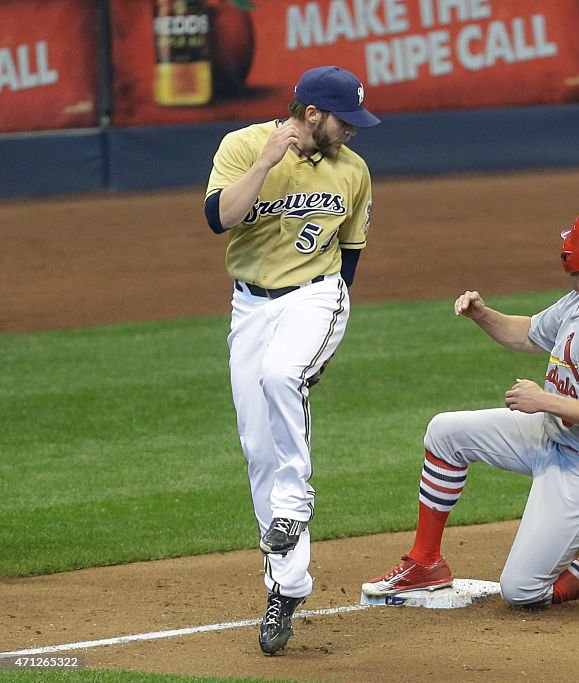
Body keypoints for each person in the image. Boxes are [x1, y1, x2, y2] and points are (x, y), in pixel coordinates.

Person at [362, 210, 579, 609]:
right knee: (445, 433)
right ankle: (425, 562)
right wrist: (481, 315)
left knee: (523, 590)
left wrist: (544, 401)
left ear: (578, 253)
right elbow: (527, 335)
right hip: (553, 436)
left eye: (571, 239)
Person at [203, 66, 380, 654]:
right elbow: (218, 219)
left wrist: (321, 341)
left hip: (316, 295)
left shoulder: (354, 172)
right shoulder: (243, 146)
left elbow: (349, 257)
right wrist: (265, 164)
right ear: (310, 114)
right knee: (258, 449)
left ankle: (297, 502)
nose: (352, 131)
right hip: (251, 307)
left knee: (283, 373)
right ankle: (286, 585)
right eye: (343, 120)